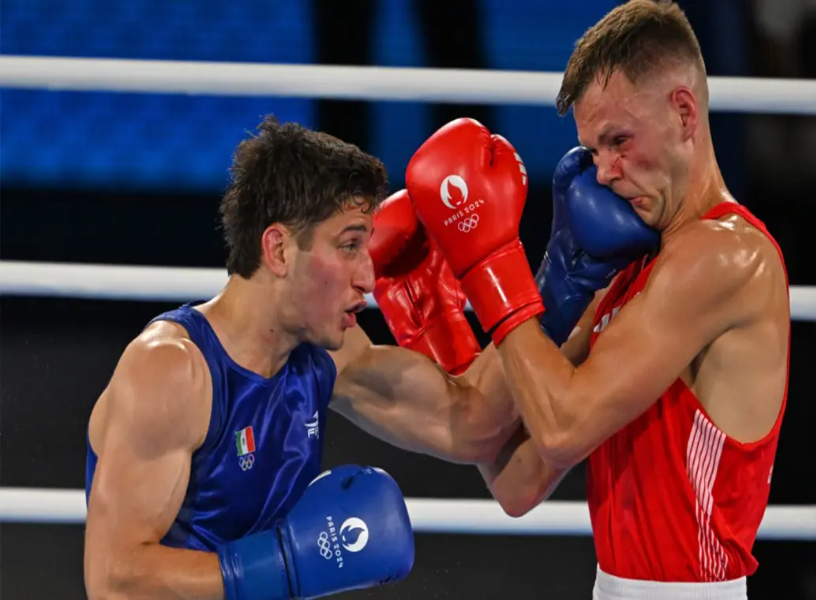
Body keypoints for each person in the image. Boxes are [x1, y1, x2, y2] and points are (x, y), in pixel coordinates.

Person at [406, 1, 791, 597]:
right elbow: (516, 481)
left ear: (684, 113)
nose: (605, 172)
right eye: (592, 150)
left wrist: (492, 264)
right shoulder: (631, 265)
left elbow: (561, 430)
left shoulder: (724, 256)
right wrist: (455, 323)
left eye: (619, 140)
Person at [82, 115, 527, 600]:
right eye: (350, 245)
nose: (368, 277)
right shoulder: (172, 371)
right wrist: (284, 567)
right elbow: (114, 579)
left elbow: (472, 424)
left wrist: (566, 278)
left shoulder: (325, 357)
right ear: (278, 249)